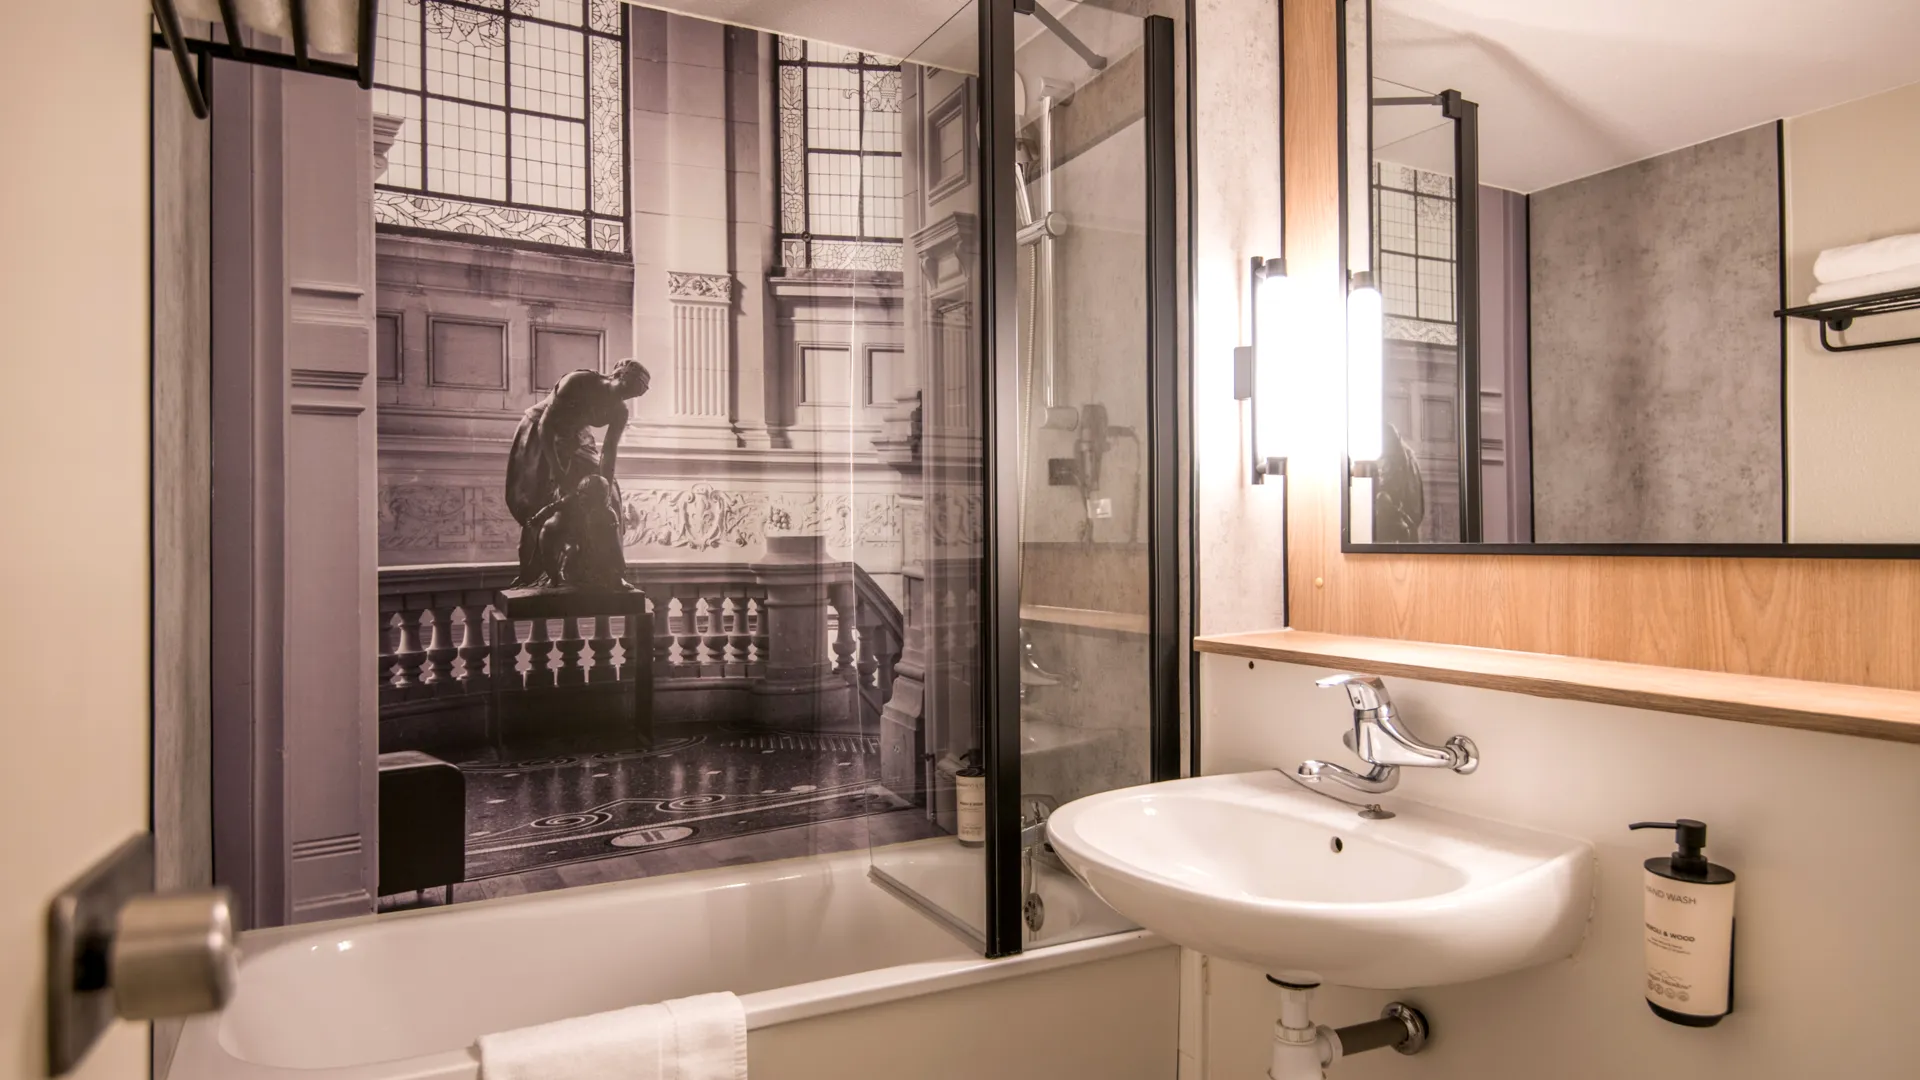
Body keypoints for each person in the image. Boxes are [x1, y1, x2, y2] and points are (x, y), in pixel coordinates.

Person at [505, 360, 651, 588]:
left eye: (637, 393)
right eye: (631, 387)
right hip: (540, 431)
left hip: (577, 437)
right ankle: (535, 570)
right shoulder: (579, 381)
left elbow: (609, 452)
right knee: (539, 495)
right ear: (619, 375)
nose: (630, 395)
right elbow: (546, 425)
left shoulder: (619, 410)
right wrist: (557, 471)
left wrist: (605, 487)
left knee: (610, 496)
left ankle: (612, 571)